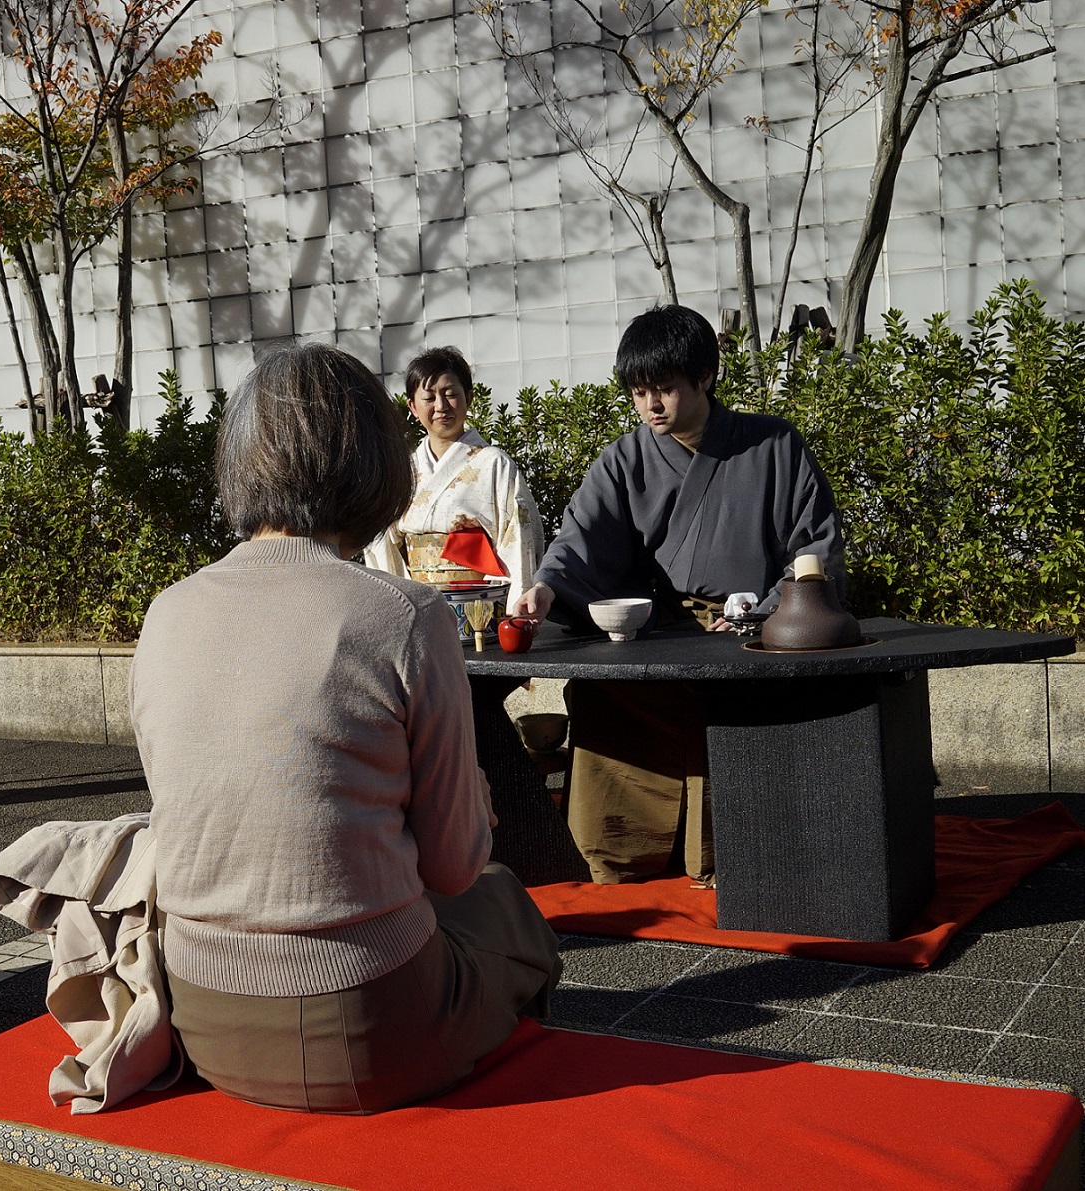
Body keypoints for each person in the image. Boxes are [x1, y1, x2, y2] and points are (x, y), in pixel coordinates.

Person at [132, 343, 560, 1114]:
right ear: (374, 461)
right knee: (503, 901)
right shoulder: (406, 614)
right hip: (371, 1025)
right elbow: (457, 865)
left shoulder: (166, 613)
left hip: (198, 1013)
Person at [510, 305, 844, 885]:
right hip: (659, 633)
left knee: (738, 697)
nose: (651, 406)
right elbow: (580, 538)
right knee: (605, 692)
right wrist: (544, 589)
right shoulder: (624, 459)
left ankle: (732, 850)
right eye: (639, 393)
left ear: (706, 377)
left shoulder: (773, 445)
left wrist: (766, 613)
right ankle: (621, 852)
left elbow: (813, 548)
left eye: (664, 389)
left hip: (750, 630)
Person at [364, 346, 542, 611]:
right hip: (418, 603)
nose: (441, 406)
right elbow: (381, 541)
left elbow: (520, 536)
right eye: (429, 397)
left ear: (469, 398)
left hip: (480, 604)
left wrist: (515, 605)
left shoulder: (494, 463)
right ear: (412, 406)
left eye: (450, 394)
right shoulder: (403, 469)